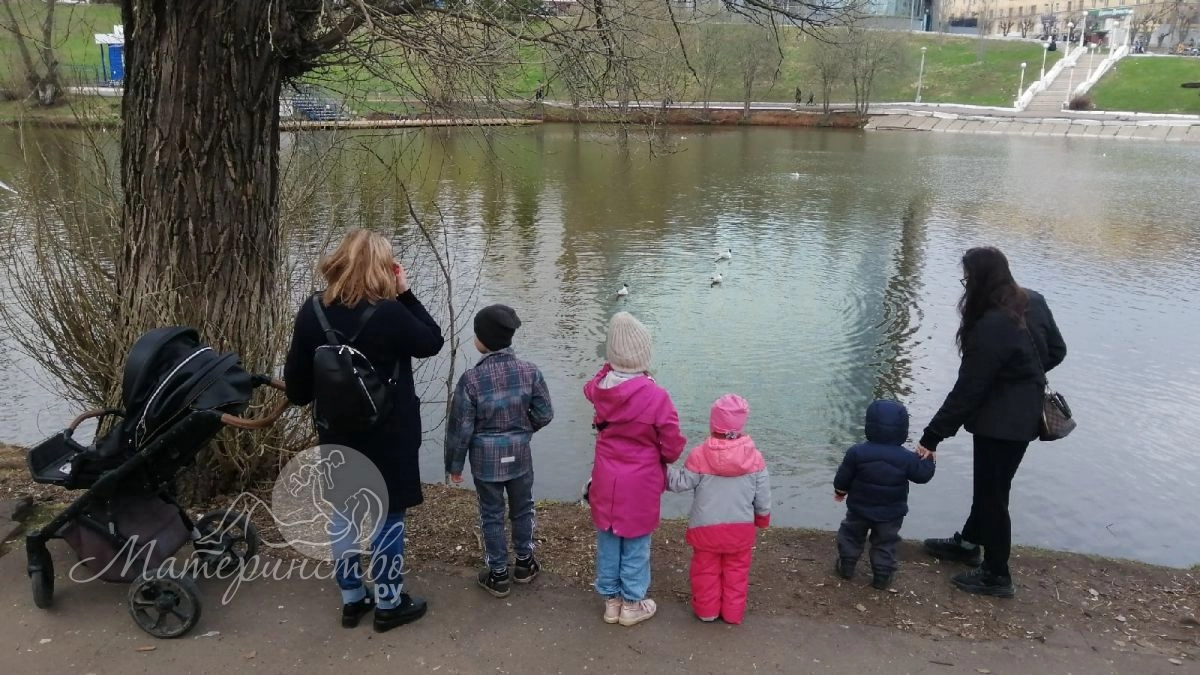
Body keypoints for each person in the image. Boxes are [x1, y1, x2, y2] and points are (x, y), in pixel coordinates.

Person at [284, 228, 445, 632]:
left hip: (337, 434)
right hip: (388, 433)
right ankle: (390, 601)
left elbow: (298, 391)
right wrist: (405, 294)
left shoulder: (311, 312)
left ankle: (352, 597)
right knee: (389, 516)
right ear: (385, 269)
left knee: (343, 514)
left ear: (338, 262)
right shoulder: (390, 313)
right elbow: (432, 342)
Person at [916, 246, 1066, 598]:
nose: (965, 283)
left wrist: (931, 437)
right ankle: (969, 543)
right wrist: (1025, 377)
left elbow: (968, 391)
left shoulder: (990, 326)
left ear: (980, 279)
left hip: (1001, 424)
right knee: (990, 488)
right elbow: (1057, 351)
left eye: (967, 277)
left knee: (993, 496)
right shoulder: (1035, 300)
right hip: (1024, 416)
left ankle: (997, 575)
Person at [444, 304, 554, 599]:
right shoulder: (530, 372)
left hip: (485, 462)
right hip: (520, 456)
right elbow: (544, 413)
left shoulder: (471, 380)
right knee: (523, 507)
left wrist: (454, 466)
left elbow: (460, 429)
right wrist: (522, 432)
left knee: (491, 514)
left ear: (481, 340)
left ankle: (498, 574)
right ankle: (525, 563)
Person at [584, 311, 686, 627]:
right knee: (636, 543)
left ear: (611, 356)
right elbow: (672, 445)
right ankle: (632, 602)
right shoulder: (656, 396)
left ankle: (610, 601)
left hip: (605, 478)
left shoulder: (599, 390)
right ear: (644, 356)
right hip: (640, 482)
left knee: (609, 540)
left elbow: (594, 382)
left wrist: (610, 365)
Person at [667, 394, 770, 624]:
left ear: (713, 423)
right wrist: (762, 518)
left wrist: (657, 467)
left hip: (706, 530)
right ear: (741, 423)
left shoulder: (700, 454)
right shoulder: (755, 457)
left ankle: (707, 612)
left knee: (705, 572)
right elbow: (763, 495)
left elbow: (679, 483)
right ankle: (732, 614)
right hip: (740, 529)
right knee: (737, 573)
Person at [833, 400, 935, 590]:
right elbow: (923, 476)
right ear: (903, 430)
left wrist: (840, 491)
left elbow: (843, 476)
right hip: (891, 513)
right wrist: (929, 459)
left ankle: (846, 565)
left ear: (868, 426)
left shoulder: (856, 452)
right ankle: (882, 575)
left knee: (851, 535)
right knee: (885, 542)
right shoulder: (907, 458)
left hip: (859, 509)